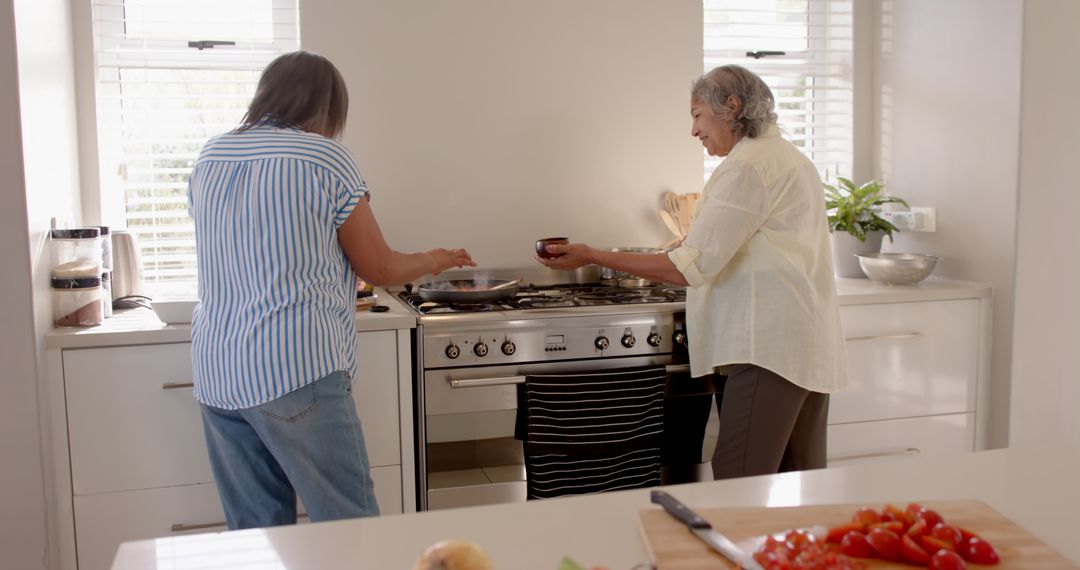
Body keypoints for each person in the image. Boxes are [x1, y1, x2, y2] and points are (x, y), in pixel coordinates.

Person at [187, 51, 475, 529]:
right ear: (328, 107)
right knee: (349, 526)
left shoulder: (211, 154)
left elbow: (249, 246)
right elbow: (380, 267)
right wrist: (436, 259)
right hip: (294, 368)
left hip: (219, 369)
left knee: (256, 532)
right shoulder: (325, 157)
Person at [537, 64, 847, 480]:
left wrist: (594, 255)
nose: (694, 129)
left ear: (731, 107)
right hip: (802, 345)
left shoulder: (746, 166)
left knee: (738, 482)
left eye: (697, 114)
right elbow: (764, 245)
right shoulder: (789, 158)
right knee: (801, 485)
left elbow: (689, 269)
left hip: (766, 349)